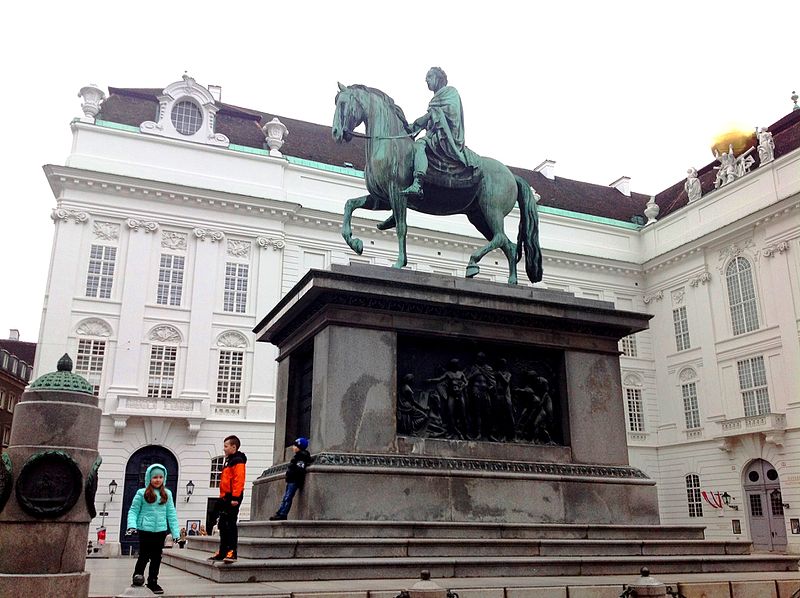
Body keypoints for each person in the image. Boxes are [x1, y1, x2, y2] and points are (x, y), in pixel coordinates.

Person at [402, 67, 475, 197]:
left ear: (438, 78)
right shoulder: (436, 98)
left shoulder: (450, 92)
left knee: (419, 145)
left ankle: (418, 183)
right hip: (436, 134)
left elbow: (451, 113)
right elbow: (430, 119)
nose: (426, 81)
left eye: (429, 77)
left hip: (447, 136)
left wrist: (428, 118)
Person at [126, 463, 180, 595]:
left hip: (160, 530)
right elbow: (133, 511)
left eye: (161, 477)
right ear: (149, 478)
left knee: (157, 557)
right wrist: (131, 526)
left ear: (164, 478)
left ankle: (153, 581)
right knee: (144, 555)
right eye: (155, 477)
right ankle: (137, 577)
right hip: (145, 529)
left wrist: (175, 533)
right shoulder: (141, 493)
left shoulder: (167, 493)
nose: (158, 480)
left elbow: (171, 514)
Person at [208, 435, 247, 563]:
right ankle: (223, 550)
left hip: (232, 497)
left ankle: (232, 551)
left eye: (226, 446)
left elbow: (238, 479)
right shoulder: (229, 460)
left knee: (230, 524)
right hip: (225, 496)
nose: (224, 449)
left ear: (233, 447)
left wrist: (235, 497)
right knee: (222, 524)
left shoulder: (237, 460)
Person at [270, 437, 312, 521]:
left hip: (294, 480)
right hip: (291, 480)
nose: (293, 447)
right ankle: (280, 512)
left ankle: (283, 514)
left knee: (287, 497)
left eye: (295, 446)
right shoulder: (298, 456)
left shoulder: (301, 457)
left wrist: (293, 475)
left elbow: (299, 469)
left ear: (299, 447)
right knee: (286, 497)